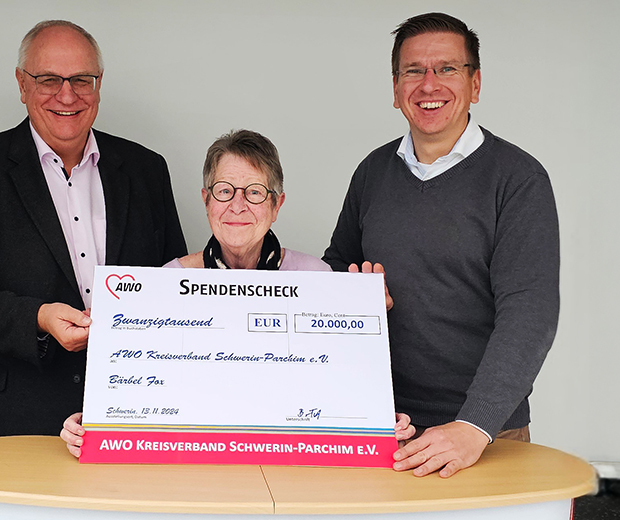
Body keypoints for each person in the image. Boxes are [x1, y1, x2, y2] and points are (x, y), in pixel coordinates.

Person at [60, 130, 412, 456]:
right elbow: (139, 390)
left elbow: (339, 390)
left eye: (255, 192)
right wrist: (95, 424)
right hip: (198, 464)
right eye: (224, 191)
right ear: (206, 201)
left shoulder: (317, 278)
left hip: (288, 466)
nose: (238, 205)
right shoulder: (166, 281)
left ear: (276, 205)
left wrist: (376, 420)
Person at [0, 20, 187, 445]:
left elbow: (171, 280)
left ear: (99, 84)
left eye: (82, 80)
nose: (67, 96)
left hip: (127, 410)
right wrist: (39, 318)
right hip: (7, 418)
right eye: (48, 80)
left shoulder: (146, 170)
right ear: (22, 84)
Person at [324, 12, 560, 478]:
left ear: (475, 84)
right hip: (383, 426)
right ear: (396, 89)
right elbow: (336, 268)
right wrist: (358, 294)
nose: (429, 84)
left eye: (447, 69)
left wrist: (474, 425)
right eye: (413, 71)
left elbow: (529, 314)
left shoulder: (518, 180)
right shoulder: (372, 172)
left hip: (483, 436)